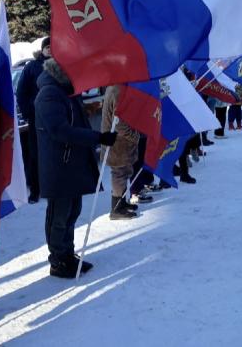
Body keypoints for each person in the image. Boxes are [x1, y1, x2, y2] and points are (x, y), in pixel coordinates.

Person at [35, 58, 117, 278]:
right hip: (59, 166)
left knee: (72, 212)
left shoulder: (67, 92)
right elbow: (59, 130)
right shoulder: (50, 93)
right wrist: (98, 137)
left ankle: (68, 254)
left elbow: (74, 121)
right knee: (59, 216)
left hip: (72, 163)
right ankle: (58, 260)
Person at [101, 85, 151, 220]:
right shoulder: (117, 90)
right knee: (119, 173)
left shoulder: (118, 87)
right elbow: (119, 124)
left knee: (124, 172)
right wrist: (136, 136)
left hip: (121, 143)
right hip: (117, 143)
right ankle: (116, 208)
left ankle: (121, 202)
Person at [15, 36, 51, 203]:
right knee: (35, 154)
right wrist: (28, 111)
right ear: (42, 49)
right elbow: (21, 92)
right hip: (36, 117)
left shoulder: (61, 65)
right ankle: (35, 190)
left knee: (54, 153)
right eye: (47, 47)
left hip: (55, 117)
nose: (50, 49)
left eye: (53, 46)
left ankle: (52, 187)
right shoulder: (32, 67)